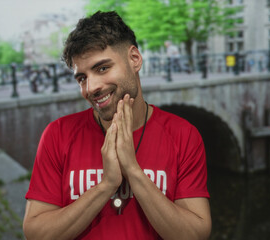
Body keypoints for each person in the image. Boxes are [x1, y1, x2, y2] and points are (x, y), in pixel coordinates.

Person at [23, 11, 211, 240]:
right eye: (82, 78)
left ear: (134, 59)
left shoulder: (183, 135)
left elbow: (195, 235)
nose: (91, 88)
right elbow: (36, 235)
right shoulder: (58, 135)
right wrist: (106, 185)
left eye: (102, 68)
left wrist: (133, 171)